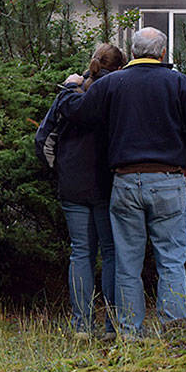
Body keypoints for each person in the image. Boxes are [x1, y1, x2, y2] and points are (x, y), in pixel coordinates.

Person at [60, 27, 186, 338]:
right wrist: (177, 146)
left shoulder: (112, 83)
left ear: (131, 52)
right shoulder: (178, 82)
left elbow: (77, 113)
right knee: (170, 260)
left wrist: (70, 86)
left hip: (126, 181)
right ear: (163, 53)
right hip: (169, 179)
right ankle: (174, 331)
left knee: (128, 262)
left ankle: (129, 331)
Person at [40, 42, 125, 340]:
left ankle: (81, 326)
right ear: (118, 69)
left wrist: (61, 169)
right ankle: (113, 326)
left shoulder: (68, 97)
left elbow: (43, 140)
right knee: (112, 254)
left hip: (73, 184)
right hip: (107, 183)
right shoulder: (114, 97)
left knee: (81, 253)